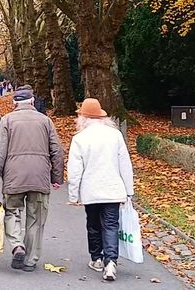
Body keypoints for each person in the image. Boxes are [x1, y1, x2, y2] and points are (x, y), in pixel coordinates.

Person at [0, 87, 64, 272]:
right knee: (36, 219)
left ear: (14, 103)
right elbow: (57, 151)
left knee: (11, 212)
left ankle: (17, 245)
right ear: (32, 101)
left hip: (14, 177)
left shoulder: (7, 121)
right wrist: (57, 177)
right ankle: (30, 260)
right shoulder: (46, 121)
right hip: (39, 177)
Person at [67, 98, 134, 282]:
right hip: (113, 189)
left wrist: (73, 195)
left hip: (91, 190)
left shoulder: (79, 139)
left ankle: (96, 258)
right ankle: (110, 261)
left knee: (94, 224)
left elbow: (74, 170)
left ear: (84, 118)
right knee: (111, 225)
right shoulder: (115, 135)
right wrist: (129, 191)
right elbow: (125, 165)